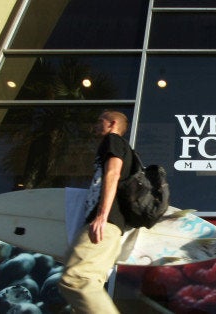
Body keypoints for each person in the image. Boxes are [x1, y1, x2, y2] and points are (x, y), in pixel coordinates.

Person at [58, 111, 132, 313]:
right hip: (111, 226)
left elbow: (113, 173)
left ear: (113, 123)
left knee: (76, 280)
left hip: (105, 223)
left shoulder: (113, 141)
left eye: (100, 121)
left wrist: (101, 215)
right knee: (88, 287)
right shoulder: (119, 145)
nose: (96, 125)